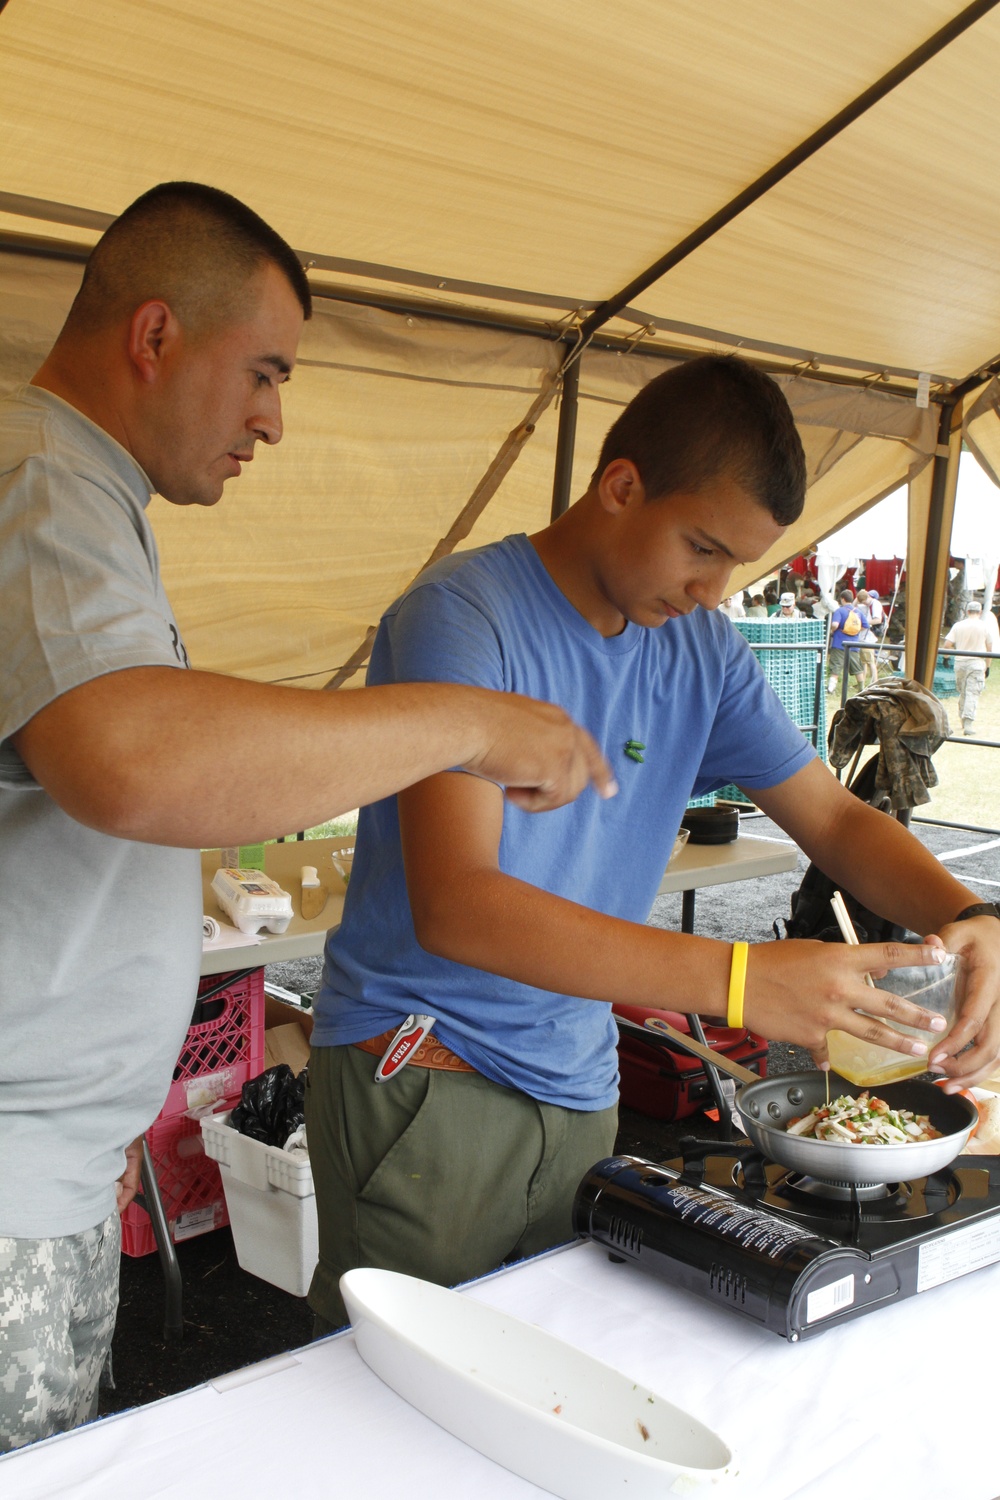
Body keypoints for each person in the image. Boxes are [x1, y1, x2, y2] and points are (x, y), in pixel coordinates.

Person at [0, 182, 613, 1453]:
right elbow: (133, 760)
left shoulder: (88, 501)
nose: (274, 419)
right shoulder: (41, 480)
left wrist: (94, 1111)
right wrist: (467, 724)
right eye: (264, 372)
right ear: (156, 335)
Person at [304, 355, 1000, 1331]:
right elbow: (458, 903)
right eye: (700, 549)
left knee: (556, 1384)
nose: (713, 591)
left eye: (735, 567)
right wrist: (743, 981)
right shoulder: (462, 618)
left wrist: (970, 916)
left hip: (580, 1082)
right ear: (620, 486)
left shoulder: (698, 648)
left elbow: (836, 818)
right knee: (394, 1410)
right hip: (429, 1080)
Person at [944, 600, 994, 735]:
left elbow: (947, 645)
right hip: (976, 663)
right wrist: (987, 666)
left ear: (967, 612)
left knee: (963, 692)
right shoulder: (984, 626)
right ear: (980, 612)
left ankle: (962, 717)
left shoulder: (958, 625)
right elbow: (990, 649)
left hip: (960, 662)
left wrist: (946, 658)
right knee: (972, 692)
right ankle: (968, 722)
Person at [827, 589, 870, 695]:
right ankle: (861, 688)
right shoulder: (858, 612)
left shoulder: (839, 611)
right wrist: (855, 632)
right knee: (857, 667)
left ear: (842, 599)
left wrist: (833, 631)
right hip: (854, 643)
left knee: (836, 666)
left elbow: (835, 624)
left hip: (839, 642)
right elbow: (866, 626)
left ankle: (831, 688)